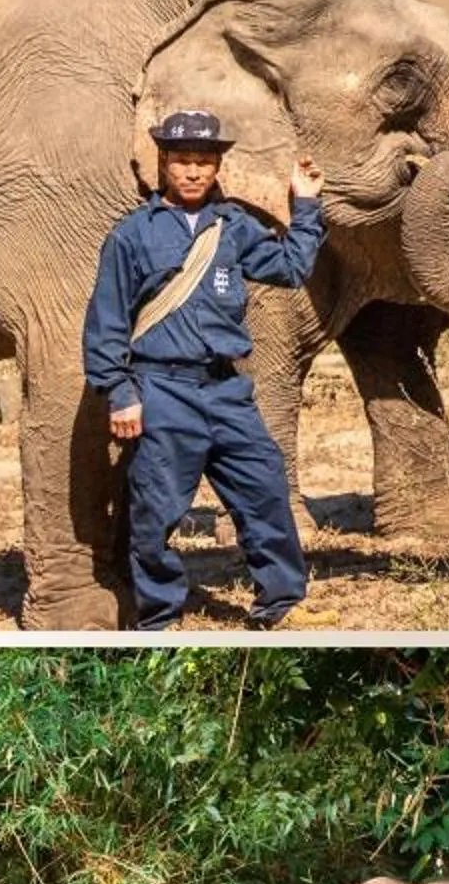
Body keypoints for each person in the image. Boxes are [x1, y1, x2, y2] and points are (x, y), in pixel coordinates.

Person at [82, 110, 327, 629]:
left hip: (226, 389)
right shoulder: (132, 235)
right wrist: (121, 393)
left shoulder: (235, 227)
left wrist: (305, 204)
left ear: (217, 167)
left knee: (264, 489)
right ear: (162, 164)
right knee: (155, 515)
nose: (192, 172)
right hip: (163, 389)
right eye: (181, 161)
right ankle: (159, 618)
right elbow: (107, 321)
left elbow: (290, 268)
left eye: (203, 162)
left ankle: (280, 602)